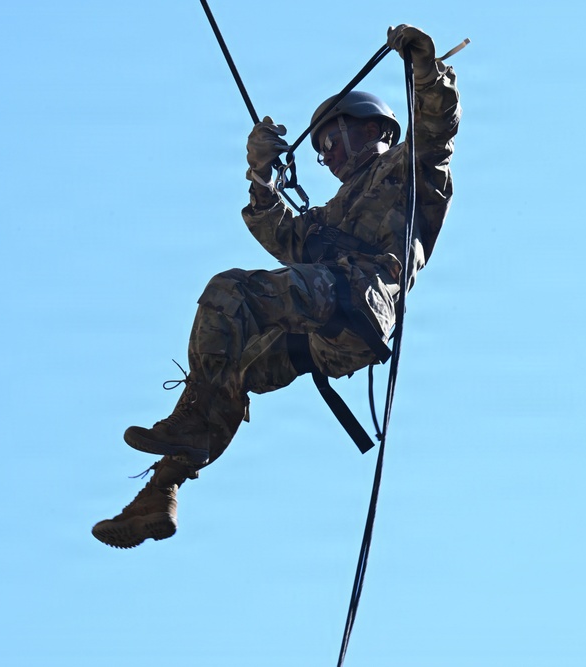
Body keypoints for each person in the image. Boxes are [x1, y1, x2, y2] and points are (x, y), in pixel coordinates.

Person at [92, 24, 461, 548]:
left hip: (358, 300)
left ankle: (191, 418)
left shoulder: (409, 168)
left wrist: (426, 68)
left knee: (231, 292)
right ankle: (163, 490)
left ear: (376, 129)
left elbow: (437, 125)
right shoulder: (333, 211)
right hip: (326, 332)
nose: (327, 154)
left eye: (333, 139)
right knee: (236, 368)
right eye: (321, 148)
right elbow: (287, 235)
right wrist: (262, 178)